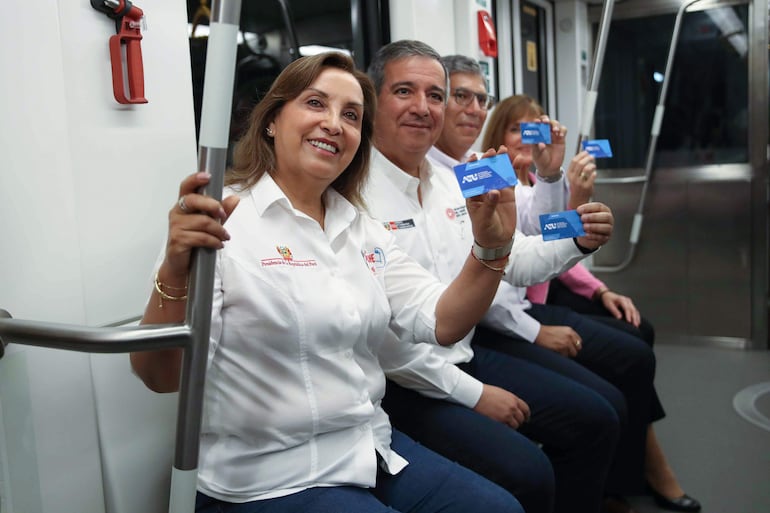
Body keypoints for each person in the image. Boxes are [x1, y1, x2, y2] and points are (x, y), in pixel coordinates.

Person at [130, 52, 525, 513]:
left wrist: (492, 248)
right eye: (316, 103)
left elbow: (443, 320)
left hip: (365, 448)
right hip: (270, 478)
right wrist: (175, 270)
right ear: (273, 121)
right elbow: (160, 377)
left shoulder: (359, 228)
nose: (335, 123)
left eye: (351, 115)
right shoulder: (223, 221)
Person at [364, 44, 621, 513]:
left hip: (466, 352)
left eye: (435, 95)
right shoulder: (354, 195)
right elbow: (389, 342)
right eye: (405, 91)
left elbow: (511, 256)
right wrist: (476, 394)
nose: (425, 107)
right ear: (373, 100)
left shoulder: (456, 179)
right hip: (408, 382)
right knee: (528, 473)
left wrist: (577, 240)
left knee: (597, 418)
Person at [481, 94, 701, 513]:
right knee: (628, 360)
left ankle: (634, 467)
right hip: (524, 304)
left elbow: (548, 246)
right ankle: (638, 471)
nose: (529, 140)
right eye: (518, 130)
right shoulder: (489, 178)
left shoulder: (533, 182)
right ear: (498, 136)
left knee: (639, 335)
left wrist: (599, 288)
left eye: (536, 131)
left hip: (537, 290)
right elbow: (538, 249)